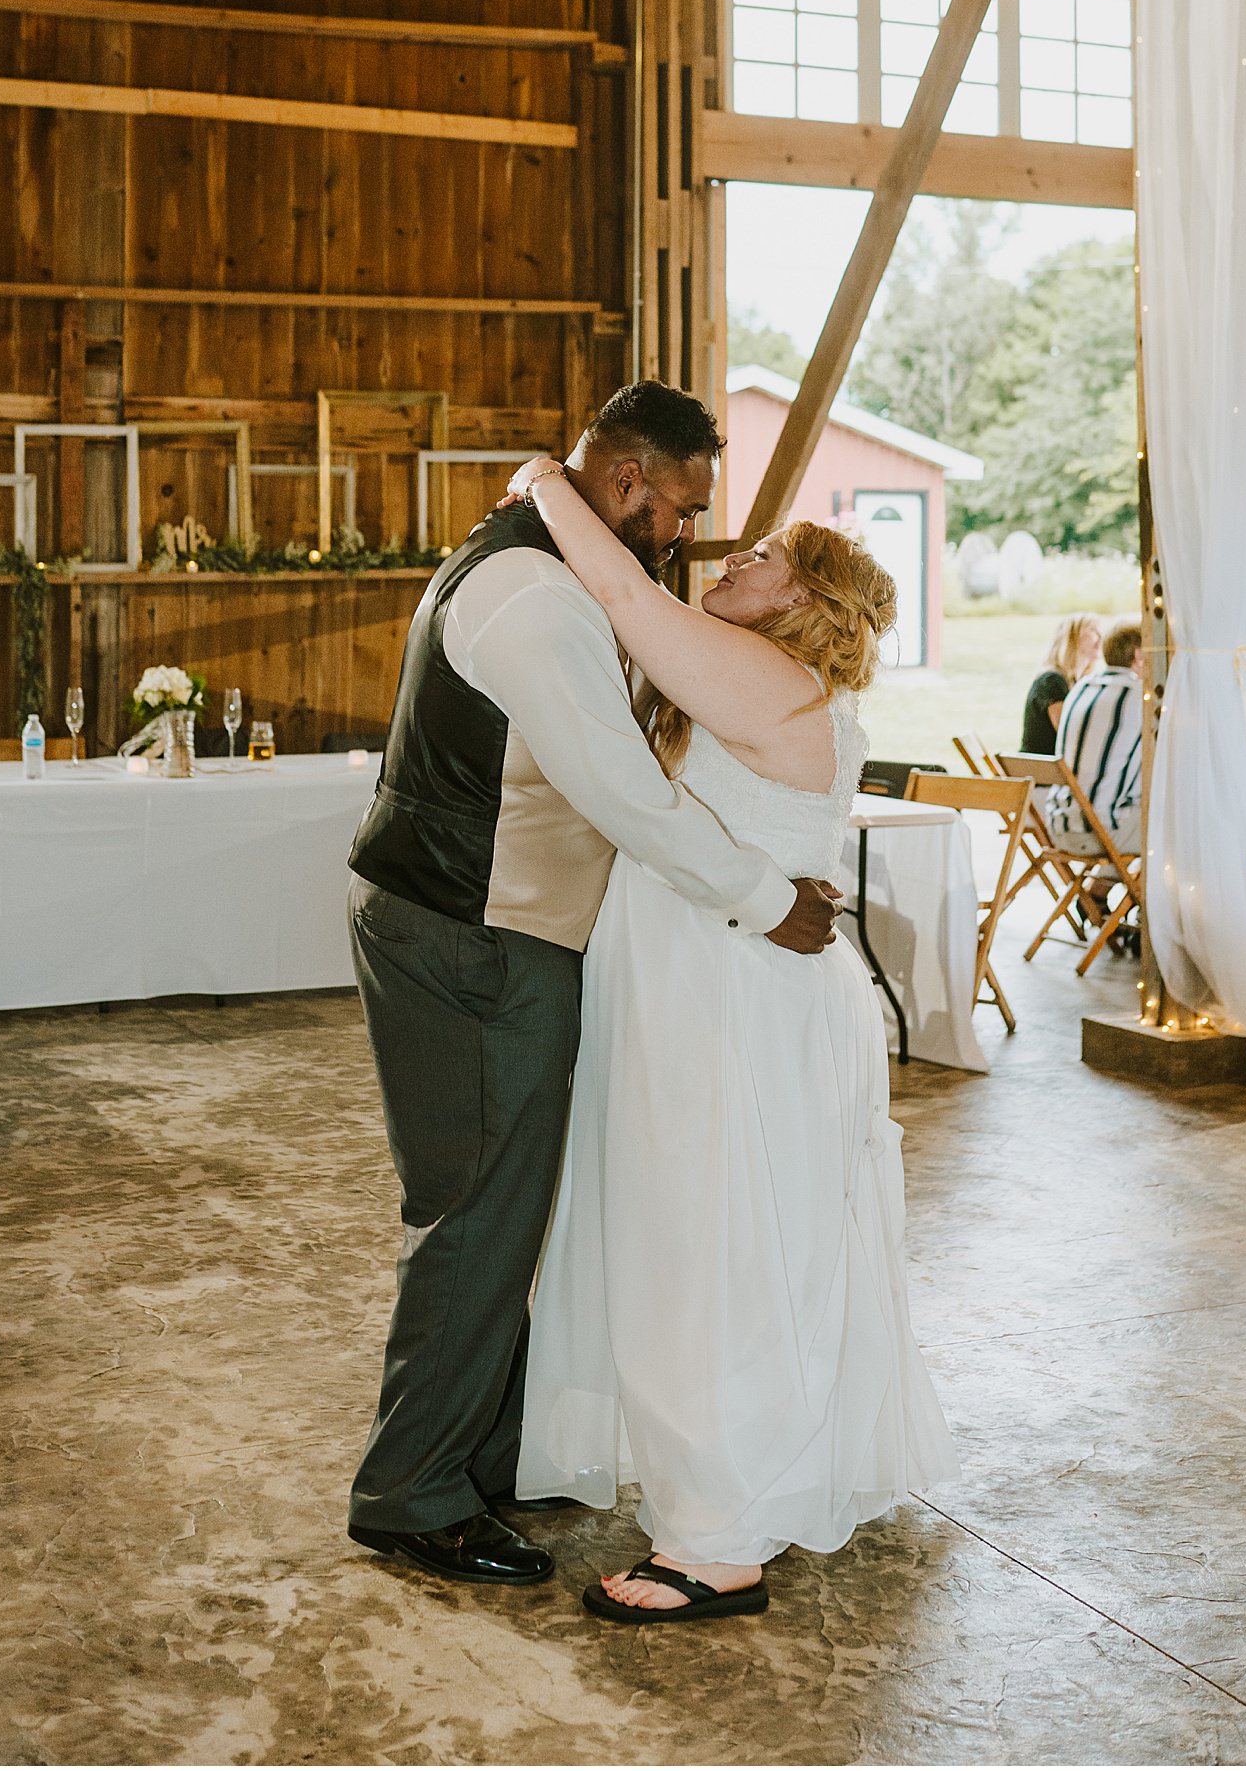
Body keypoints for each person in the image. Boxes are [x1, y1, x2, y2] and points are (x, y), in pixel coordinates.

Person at [343, 383, 845, 1589]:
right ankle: (413, 1492)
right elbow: (622, 791)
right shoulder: (530, 600)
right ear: (627, 483)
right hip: (473, 931)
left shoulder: (547, 556)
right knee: (476, 1211)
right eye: (679, 510)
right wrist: (768, 900)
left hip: (487, 925)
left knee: (511, 1205)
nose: (682, 538)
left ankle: (477, 1457)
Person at [509, 455, 958, 1626]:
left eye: (765, 558)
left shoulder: (771, 681)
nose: (737, 559)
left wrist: (541, 484)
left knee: (707, 1247)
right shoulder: (771, 685)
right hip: (697, 987)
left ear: (804, 603)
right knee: (706, 1240)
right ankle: (721, 1484)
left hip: (725, 1002)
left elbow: (626, 601)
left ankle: (717, 1542)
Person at [1046, 619, 1144, 858]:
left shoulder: (1082, 687)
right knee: (1182, 825)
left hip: (1057, 825)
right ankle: (1136, 896)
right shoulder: (1140, 696)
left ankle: (1096, 893)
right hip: (1099, 833)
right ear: (1140, 655)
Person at [1021, 615, 1102, 754]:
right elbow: (1068, 733)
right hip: (1041, 769)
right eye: (1093, 629)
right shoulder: (1051, 681)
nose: (1100, 636)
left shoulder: (1078, 682)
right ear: (1073, 638)